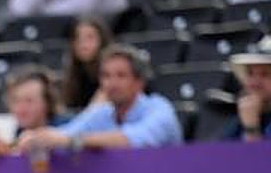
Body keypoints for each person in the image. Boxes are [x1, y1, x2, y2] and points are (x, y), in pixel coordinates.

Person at [19, 44, 181, 154]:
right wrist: (33, 139)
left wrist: (71, 140)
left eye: (121, 76)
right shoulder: (101, 114)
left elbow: (134, 140)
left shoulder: (159, 109)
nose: (112, 83)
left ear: (139, 82)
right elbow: (64, 134)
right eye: (106, 76)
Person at [0, 67, 65, 160]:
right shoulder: (8, 133)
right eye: (15, 100)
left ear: (48, 102)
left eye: (29, 101)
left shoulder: (68, 127)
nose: (21, 108)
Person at [220, 36, 271, 142]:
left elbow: (260, 158)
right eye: (250, 74)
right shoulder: (244, 116)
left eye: (265, 74)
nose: (254, 83)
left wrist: (251, 129)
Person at [60, 16, 111, 111]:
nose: (83, 44)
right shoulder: (72, 75)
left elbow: (96, 112)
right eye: (77, 38)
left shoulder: (111, 73)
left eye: (90, 37)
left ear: (102, 41)